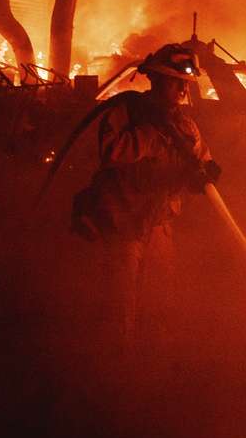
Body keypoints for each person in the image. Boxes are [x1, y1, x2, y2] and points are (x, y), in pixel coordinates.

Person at [71, 43, 220, 341]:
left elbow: (199, 159)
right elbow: (112, 151)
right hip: (123, 223)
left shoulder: (185, 124)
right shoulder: (126, 113)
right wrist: (154, 136)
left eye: (186, 83)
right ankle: (115, 365)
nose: (182, 89)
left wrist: (206, 172)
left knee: (160, 301)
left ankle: (152, 364)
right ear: (156, 79)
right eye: (176, 81)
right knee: (120, 304)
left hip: (159, 226)